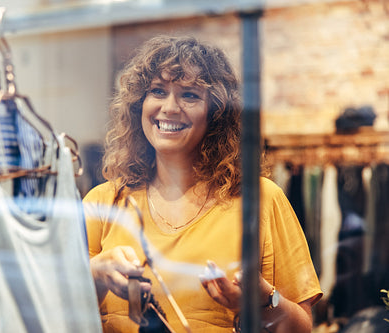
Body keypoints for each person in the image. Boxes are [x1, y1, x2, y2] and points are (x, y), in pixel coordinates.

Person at [83, 35, 322, 332]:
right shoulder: (104, 202)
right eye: (158, 91)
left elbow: (302, 328)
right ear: (138, 105)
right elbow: (52, 312)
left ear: (217, 113)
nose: (169, 108)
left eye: (189, 95)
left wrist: (262, 301)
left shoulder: (260, 199)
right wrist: (94, 274)